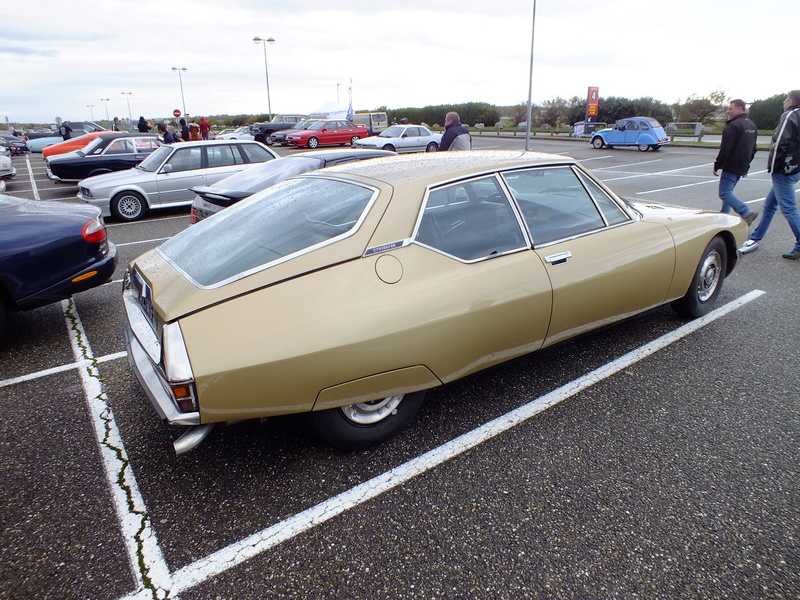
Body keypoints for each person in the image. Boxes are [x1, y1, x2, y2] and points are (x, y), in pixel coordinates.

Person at [739, 90, 800, 259]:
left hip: (784, 168)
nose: (784, 102)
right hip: (795, 167)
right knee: (770, 205)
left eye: (786, 99)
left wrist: (773, 167)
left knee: (788, 208)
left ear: (792, 102)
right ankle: (755, 237)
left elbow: (780, 141)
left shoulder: (790, 115)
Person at [713, 99, 758, 224]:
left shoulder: (733, 126)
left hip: (731, 166)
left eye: (730, 108)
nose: (728, 111)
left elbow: (725, 149)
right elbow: (753, 149)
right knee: (728, 192)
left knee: (724, 193)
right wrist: (745, 167)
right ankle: (724, 214)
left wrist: (717, 165)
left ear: (740, 109)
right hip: (741, 167)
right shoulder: (751, 126)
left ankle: (746, 212)